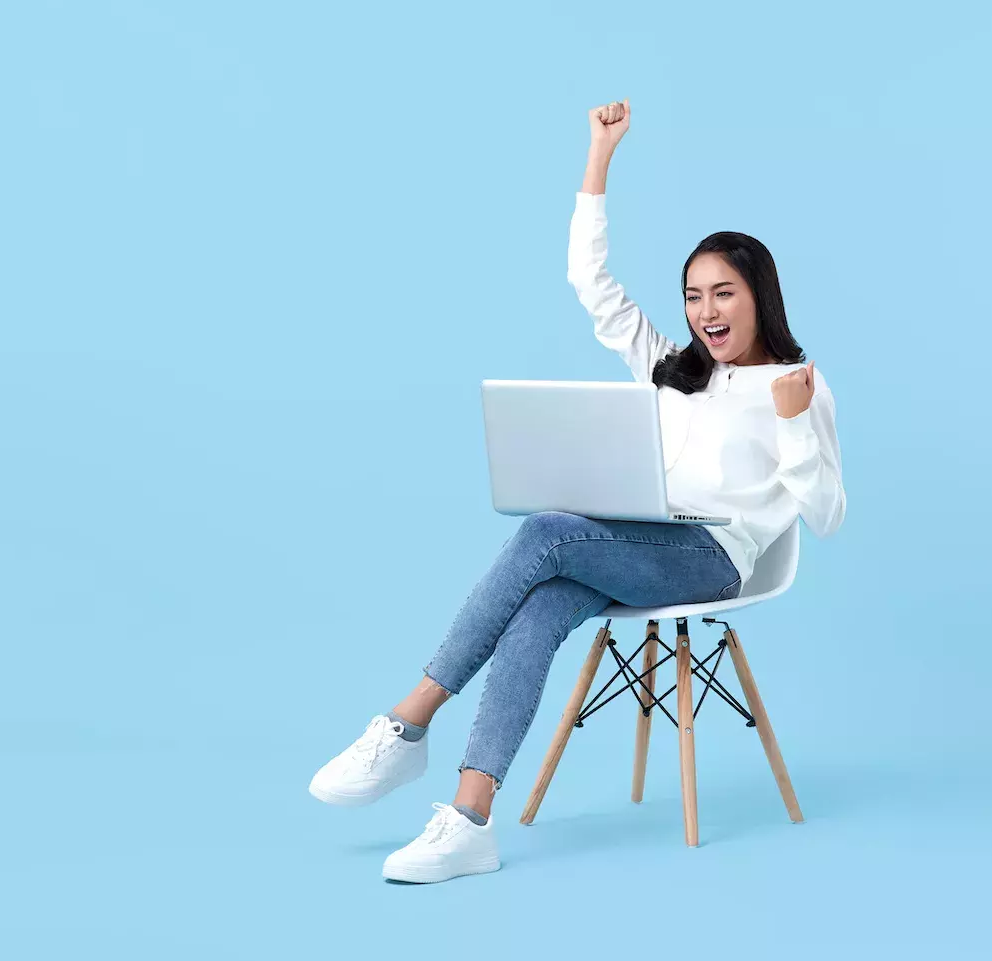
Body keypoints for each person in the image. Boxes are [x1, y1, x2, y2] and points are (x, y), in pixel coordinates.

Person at [308, 98, 846, 884]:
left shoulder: (796, 384)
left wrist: (796, 425)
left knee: (545, 534)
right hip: (641, 538)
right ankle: (468, 818)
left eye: (722, 292)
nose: (705, 311)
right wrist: (599, 157)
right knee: (545, 600)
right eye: (694, 295)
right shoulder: (674, 370)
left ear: (759, 293)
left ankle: (408, 721)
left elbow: (827, 516)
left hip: (716, 560)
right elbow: (589, 281)